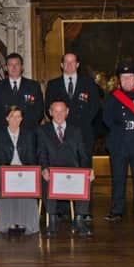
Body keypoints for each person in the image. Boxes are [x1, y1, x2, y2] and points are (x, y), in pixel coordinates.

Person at [45, 52, 100, 221]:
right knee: (61, 168)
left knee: (84, 170)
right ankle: (61, 209)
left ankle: (84, 210)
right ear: (61, 65)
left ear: (77, 65)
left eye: (72, 62)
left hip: (82, 134)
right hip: (61, 135)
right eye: (66, 62)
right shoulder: (53, 84)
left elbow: (95, 106)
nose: (69, 65)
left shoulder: (88, 83)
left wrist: (78, 128)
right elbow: (49, 107)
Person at [37, 99, 94, 237]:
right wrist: (44, 168)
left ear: (67, 112)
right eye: (55, 111)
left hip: (73, 172)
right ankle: (52, 219)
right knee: (46, 178)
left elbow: (83, 154)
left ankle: (79, 219)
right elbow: (41, 153)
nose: (59, 114)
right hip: (52, 172)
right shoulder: (43, 131)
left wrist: (88, 170)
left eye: (62, 111)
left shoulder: (76, 131)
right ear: (50, 113)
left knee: (86, 178)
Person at [102, 61, 134, 223]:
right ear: (119, 80)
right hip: (119, 141)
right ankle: (116, 210)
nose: (127, 80)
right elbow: (106, 118)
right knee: (118, 178)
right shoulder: (113, 96)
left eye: (130, 77)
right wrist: (120, 129)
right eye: (123, 78)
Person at [0, 105, 39, 234]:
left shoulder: (28, 134)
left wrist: (26, 173)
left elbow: (31, 159)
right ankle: (10, 224)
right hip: (4, 174)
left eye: (18, 116)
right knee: (6, 189)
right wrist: (9, 172)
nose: (15, 119)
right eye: (12, 116)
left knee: (27, 190)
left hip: (25, 173)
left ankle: (25, 224)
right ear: (7, 118)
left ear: (22, 119)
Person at [0, 53, 44, 129]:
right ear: (6, 68)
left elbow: (38, 111)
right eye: (10, 65)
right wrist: (6, 127)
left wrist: (24, 127)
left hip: (27, 132)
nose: (14, 67)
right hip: (3, 132)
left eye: (17, 64)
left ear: (22, 67)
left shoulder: (33, 86)